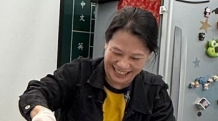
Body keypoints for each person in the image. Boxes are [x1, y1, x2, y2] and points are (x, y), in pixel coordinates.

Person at [18, 7, 174, 121]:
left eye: (135, 58)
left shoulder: (155, 92)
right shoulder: (80, 73)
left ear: (149, 55)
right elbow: (35, 92)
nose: (123, 64)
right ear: (106, 43)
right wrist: (41, 113)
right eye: (117, 52)